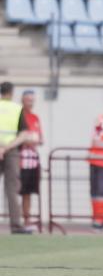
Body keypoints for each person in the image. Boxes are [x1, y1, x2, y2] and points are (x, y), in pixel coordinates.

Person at [0, 82, 30, 234]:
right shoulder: (17, 109)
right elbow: (24, 134)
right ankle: (16, 225)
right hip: (11, 151)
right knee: (12, 189)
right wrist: (7, 147)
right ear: (11, 93)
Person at [19, 90, 42, 226]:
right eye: (28, 100)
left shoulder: (35, 118)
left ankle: (26, 219)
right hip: (19, 158)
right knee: (16, 190)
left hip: (32, 160)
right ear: (22, 100)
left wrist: (31, 139)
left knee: (28, 191)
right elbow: (21, 138)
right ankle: (17, 218)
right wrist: (28, 139)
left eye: (32, 100)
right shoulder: (18, 116)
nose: (31, 103)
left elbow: (39, 138)